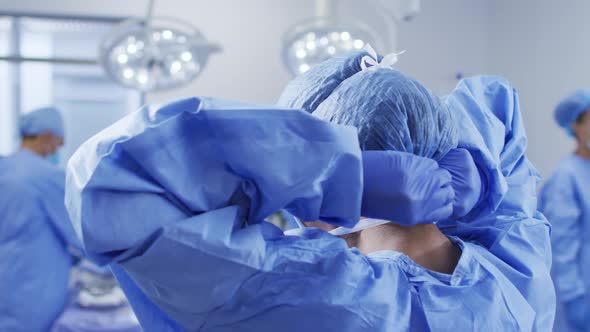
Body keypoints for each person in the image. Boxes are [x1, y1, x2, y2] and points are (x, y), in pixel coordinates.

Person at [65, 50, 554, 331]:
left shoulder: (315, 295)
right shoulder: (514, 267)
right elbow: (495, 106)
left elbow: (115, 181)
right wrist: (463, 177)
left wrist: (332, 175)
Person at [0, 107, 81, 331]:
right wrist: (111, 265)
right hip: (32, 285)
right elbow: (77, 233)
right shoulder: (47, 176)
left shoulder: (3, 167)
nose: (58, 150)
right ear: (46, 136)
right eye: (58, 142)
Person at [539, 90, 590, 332]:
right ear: (576, 127)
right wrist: (573, 298)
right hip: (579, 296)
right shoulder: (566, 177)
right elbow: (561, 245)